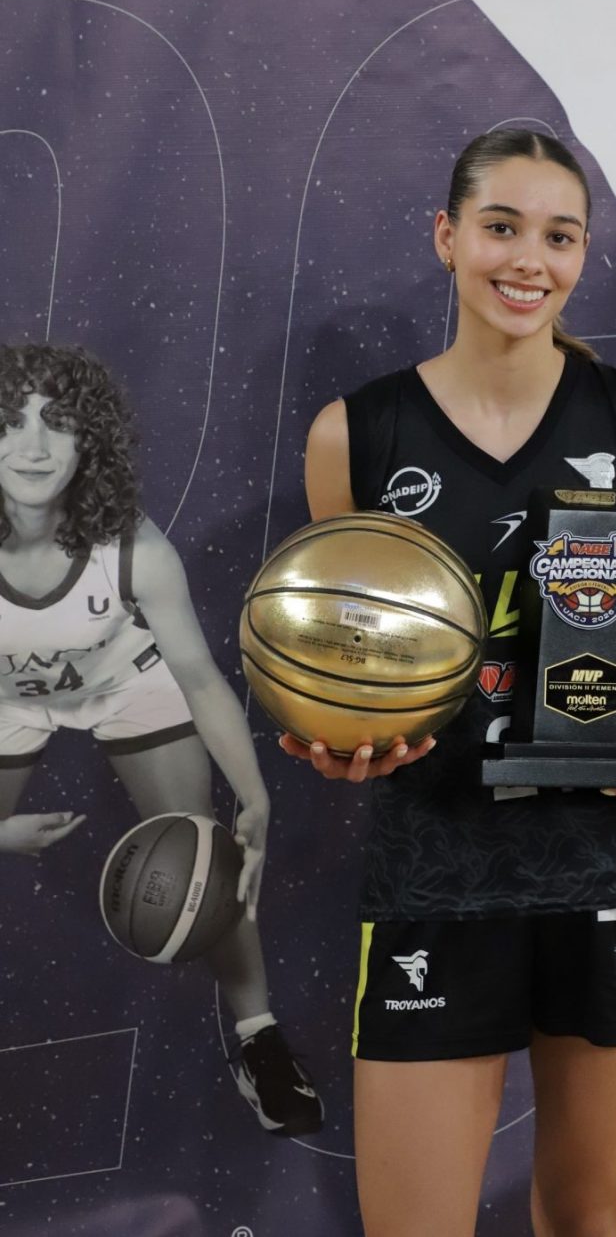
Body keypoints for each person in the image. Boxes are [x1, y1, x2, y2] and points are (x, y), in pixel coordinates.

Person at [293, 127, 616, 1237]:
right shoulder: (356, 435)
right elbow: (339, 655)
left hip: (605, 855)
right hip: (436, 859)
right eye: (501, 227)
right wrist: (338, 736)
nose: (530, 259)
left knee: (585, 1217)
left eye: (559, 237)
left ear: (582, 257)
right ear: (447, 237)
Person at [0, 343, 323, 1137]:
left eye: (58, 423)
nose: (33, 446)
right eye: (10, 423)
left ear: (89, 441)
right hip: (7, 696)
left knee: (206, 850)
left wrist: (253, 797)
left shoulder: (132, 546)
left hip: (119, 677)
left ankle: (259, 1040)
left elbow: (201, 679)